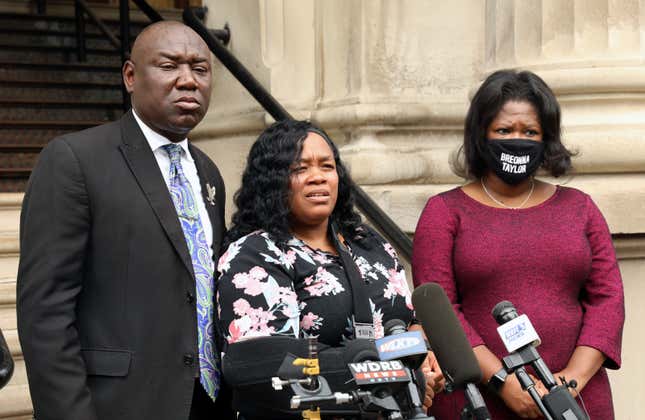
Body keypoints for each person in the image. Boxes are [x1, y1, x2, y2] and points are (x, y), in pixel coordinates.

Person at [17, 21, 233, 420]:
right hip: (119, 405)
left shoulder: (207, 172)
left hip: (208, 402)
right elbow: (45, 315)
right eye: (170, 66)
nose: (188, 81)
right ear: (130, 76)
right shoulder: (74, 161)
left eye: (200, 69)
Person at [412, 69, 624, 419]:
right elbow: (441, 312)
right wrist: (504, 383)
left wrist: (568, 383)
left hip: (576, 399)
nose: (517, 139)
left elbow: (608, 299)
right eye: (504, 130)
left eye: (530, 131)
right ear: (481, 134)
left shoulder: (580, 207)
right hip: (482, 399)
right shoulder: (445, 212)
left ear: (547, 138)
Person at [216, 119, 443, 419]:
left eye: (327, 166)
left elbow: (406, 320)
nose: (317, 177)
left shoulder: (367, 242)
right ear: (271, 181)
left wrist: (421, 358)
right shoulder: (255, 255)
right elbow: (272, 368)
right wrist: (390, 377)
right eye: (299, 169)